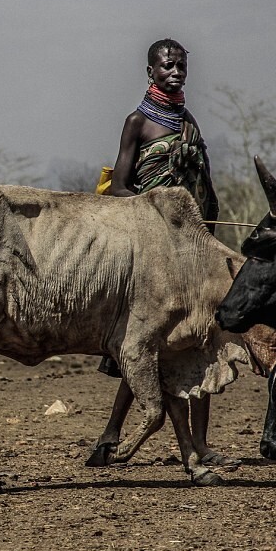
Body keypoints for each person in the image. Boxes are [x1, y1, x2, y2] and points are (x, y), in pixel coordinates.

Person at [92, 39, 235, 469]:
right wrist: (158, 213)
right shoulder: (137, 122)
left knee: (199, 340)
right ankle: (112, 434)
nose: (175, 71)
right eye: (167, 65)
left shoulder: (189, 123)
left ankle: (197, 445)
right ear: (150, 71)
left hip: (195, 247)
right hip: (155, 247)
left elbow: (204, 188)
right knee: (149, 344)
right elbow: (118, 187)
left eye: (181, 66)